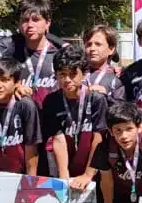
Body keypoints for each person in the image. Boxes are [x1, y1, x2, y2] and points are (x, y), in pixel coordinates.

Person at [41, 44, 108, 181]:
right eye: (62, 74)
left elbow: (98, 139)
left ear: (83, 73)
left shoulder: (96, 99)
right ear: (56, 75)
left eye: (72, 74)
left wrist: (88, 174)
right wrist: (64, 175)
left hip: (94, 167)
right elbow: (58, 139)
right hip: (64, 164)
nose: (67, 80)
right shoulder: (51, 101)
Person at [13, 0, 61, 107]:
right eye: (25, 20)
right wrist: (15, 86)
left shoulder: (59, 54)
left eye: (36, 20)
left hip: (53, 118)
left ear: (47, 23)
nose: (30, 25)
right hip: (22, 117)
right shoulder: (12, 54)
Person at [80, 24, 122, 96]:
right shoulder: (76, 74)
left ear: (111, 49)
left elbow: (121, 105)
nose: (92, 48)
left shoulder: (116, 79)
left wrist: (106, 98)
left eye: (98, 44)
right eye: (89, 44)